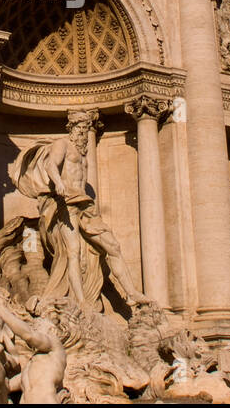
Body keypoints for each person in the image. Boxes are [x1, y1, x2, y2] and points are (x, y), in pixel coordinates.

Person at [9, 116, 148, 311]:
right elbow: (50, 165)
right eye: (79, 127)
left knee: (113, 246)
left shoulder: (83, 153)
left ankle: (132, 293)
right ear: (71, 129)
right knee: (73, 252)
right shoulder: (62, 144)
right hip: (66, 204)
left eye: (85, 128)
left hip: (85, 205)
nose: (82, 132)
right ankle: (81, 301)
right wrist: (58, 182)